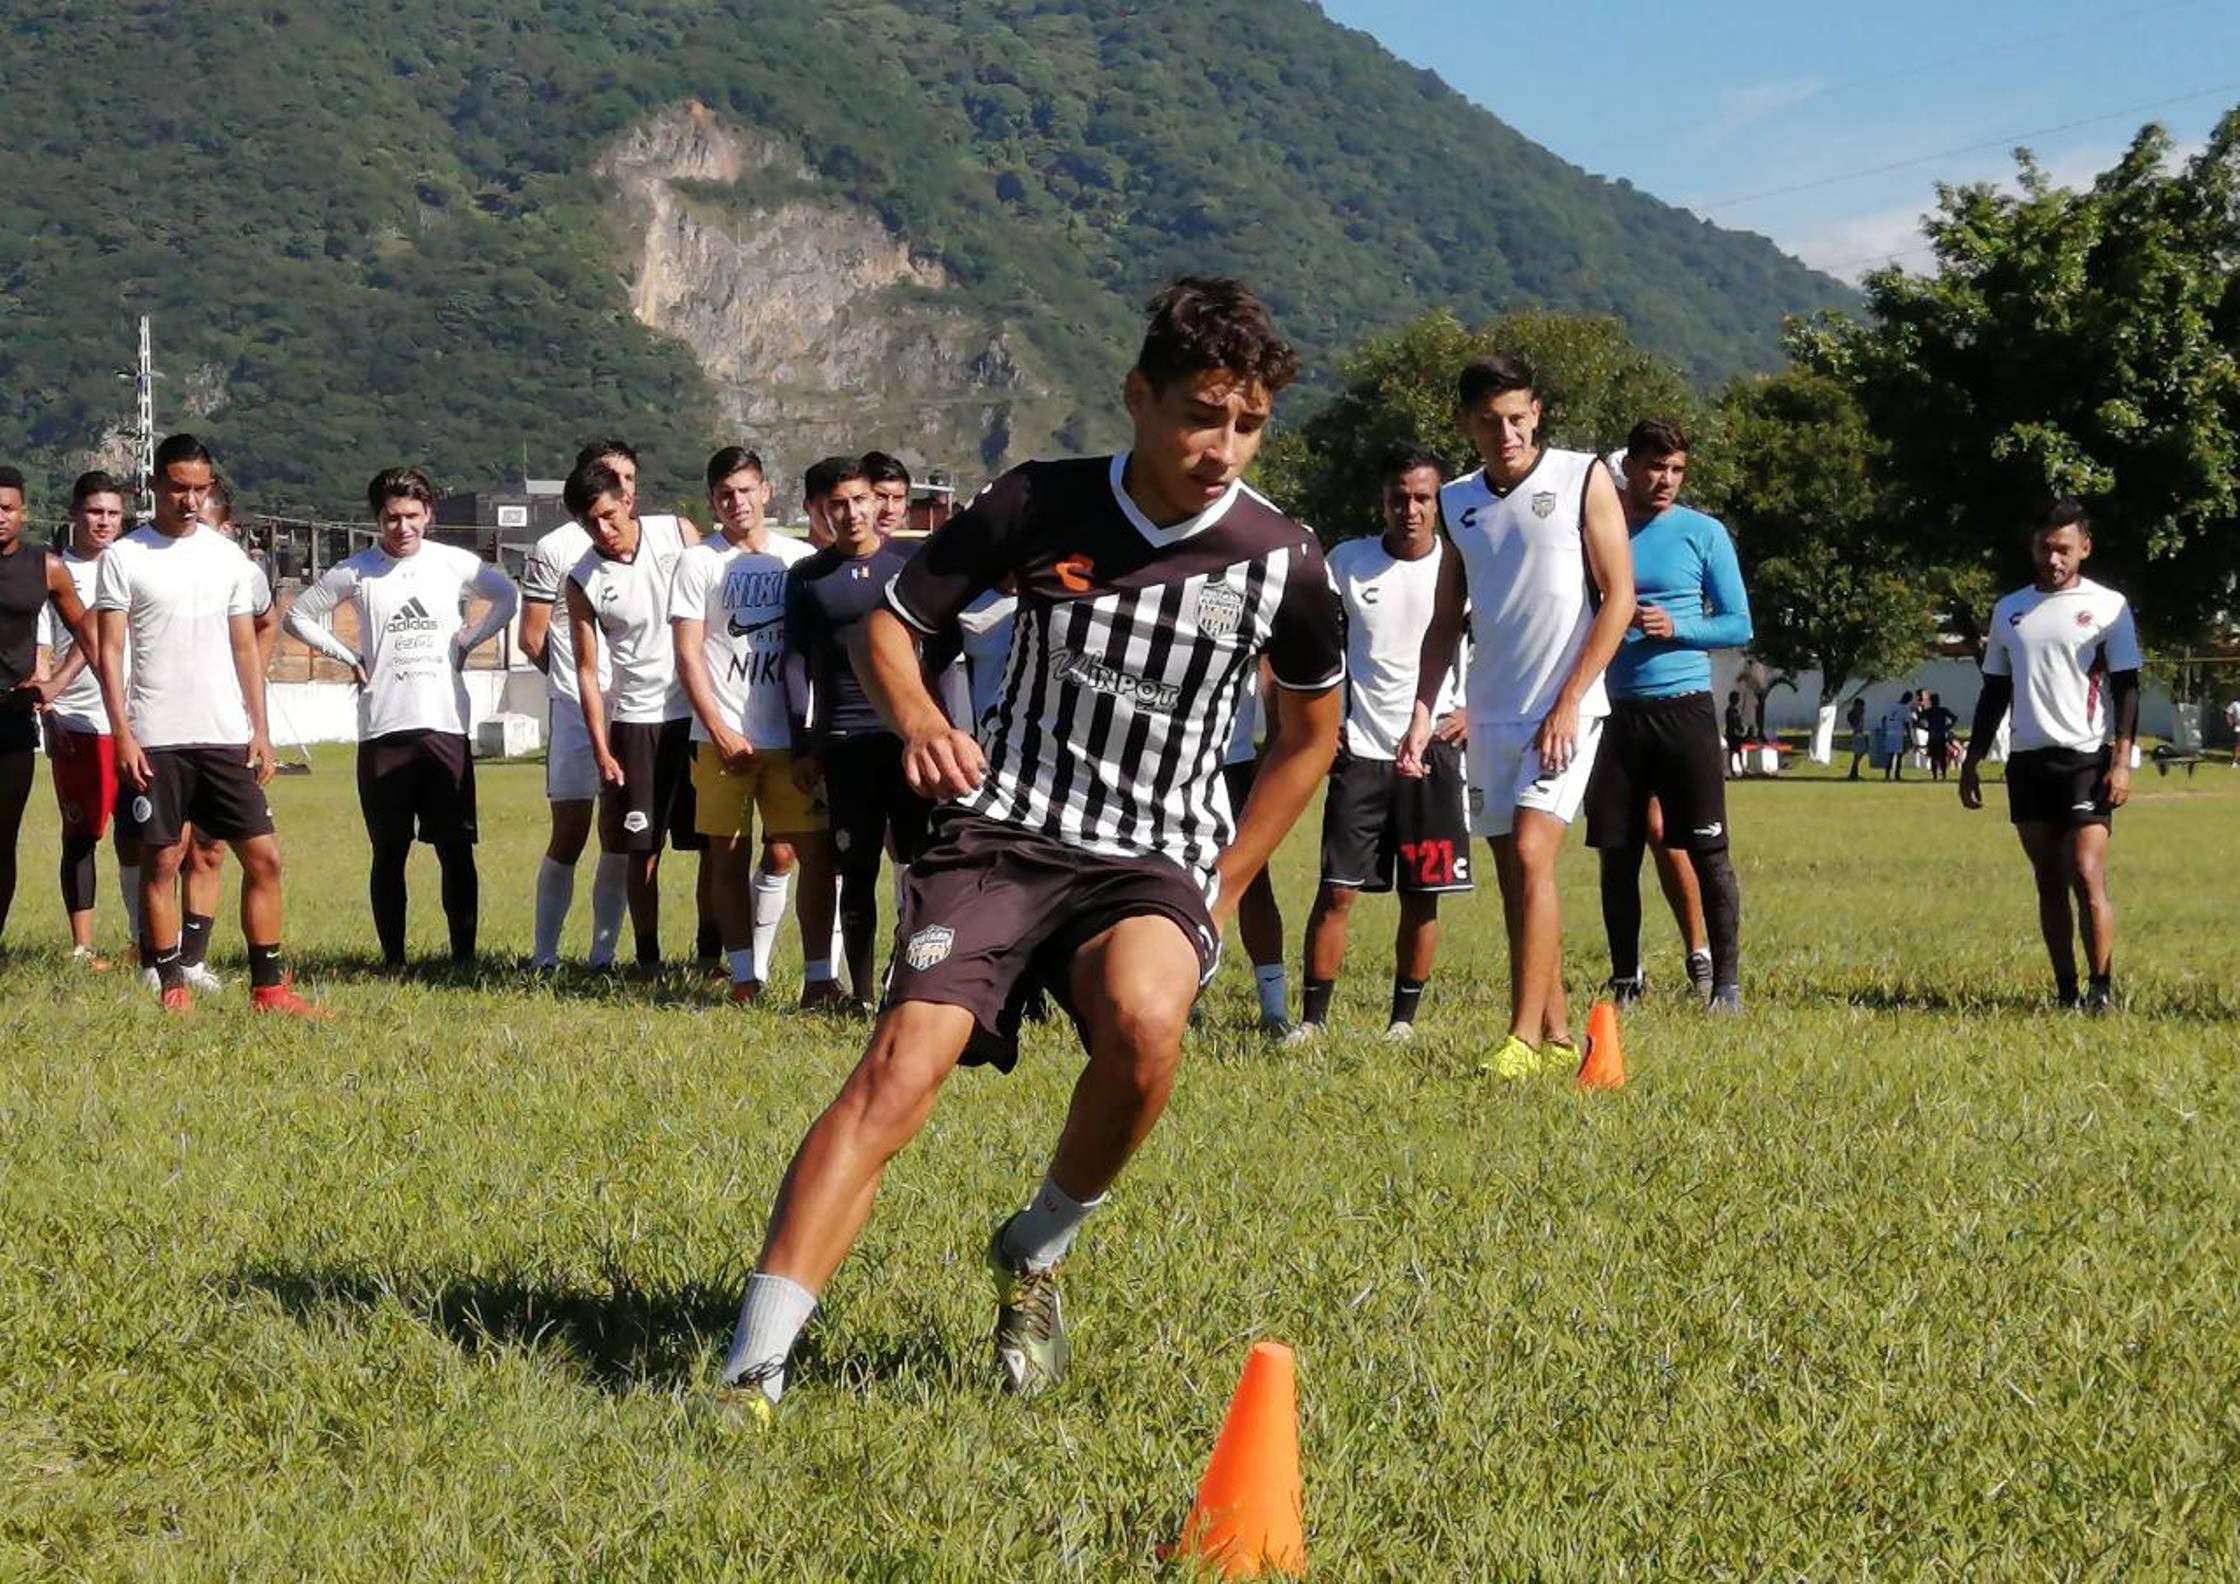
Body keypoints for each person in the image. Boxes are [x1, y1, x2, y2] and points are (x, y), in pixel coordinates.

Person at [717, 276, 1344, 1410]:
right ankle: (746, 1372)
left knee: (1148, 1025)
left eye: (1247, 423)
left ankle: (1037, 1246)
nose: (1222, 446)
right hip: (1003, 828)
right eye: (1201, 414)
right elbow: (890, 628)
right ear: (1137, 398)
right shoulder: (1034, 503)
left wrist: (1226, 875)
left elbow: (1310, 734)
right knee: (899, 1069)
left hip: (1151, 855)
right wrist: (917, 722)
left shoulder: (1284, 560)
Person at [1398, 352, 1634, 1080]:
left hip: (1565, 712)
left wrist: (1568, 702)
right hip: (1491, 716)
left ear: (1537, 413)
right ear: (1468, 426)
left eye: (1518, 418)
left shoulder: (1581, 476)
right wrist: (1422, 711)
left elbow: (1618, 596)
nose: (1508, 433)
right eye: (1490, 422)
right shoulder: (1460, 502)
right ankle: (1561, 1032)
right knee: (1515, 877)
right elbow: (1445, 622)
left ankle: (1522, 1040)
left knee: (1533, 857)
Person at [92, 433, 325, 1015]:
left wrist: (260, 729)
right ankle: (171, 985)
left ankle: (268, 990)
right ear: (155, 487)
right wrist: (122, 731)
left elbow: (247, 648)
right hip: (157, 738)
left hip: (224, 737)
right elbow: (111, 650)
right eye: (178, 488)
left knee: (264, 858)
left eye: (201, 489)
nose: (190, 500)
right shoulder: (126, 557)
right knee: (164, 860)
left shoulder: (229, 559)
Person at [283, 468, 518, 968]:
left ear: (429, 514)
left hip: (444, 726)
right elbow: (297, 615)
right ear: (377, 520)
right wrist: (346, 655)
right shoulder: (357, 570)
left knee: (455, 849)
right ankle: (394, 960)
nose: (403, 527)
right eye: (392, 518)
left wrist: (470, 640)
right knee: (389, 851)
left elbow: (507, 596)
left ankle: (463, 959)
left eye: (413, 516)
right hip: (383, 729)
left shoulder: (453, 563)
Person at [1294, 444, 1471, 1043]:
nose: (1412, 510)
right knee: (1337, 891)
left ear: (1439, 501)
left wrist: (1474, 708)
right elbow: (1316, 648)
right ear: (1383, 501)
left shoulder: (1461, 564)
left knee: (1423, 898)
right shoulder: (1347, 561)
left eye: (1424, 498)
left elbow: (1497, 643)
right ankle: (1313, 1023)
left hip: (1434, 754)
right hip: (1360, 752)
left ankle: (1402, 1022)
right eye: (1401, 498)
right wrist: (1326, 722)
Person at [1581, 419, 1752, 1013]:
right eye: (1656, 466)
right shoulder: (1600, 529)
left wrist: (1679, 627)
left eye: (1678, 470)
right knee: (1618, 851)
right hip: (1615, 713)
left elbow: (1738, 623)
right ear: (1630, 464)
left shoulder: (1704, 534)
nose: (1666, 480)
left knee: (1708, 850)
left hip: (1684, 710)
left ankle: (1724, 982)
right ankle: (1626, 977)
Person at [1960, 501, 2140, 1012]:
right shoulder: (2009, 610)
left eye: (2064, 548)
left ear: (2085, 547)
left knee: (2086, 871)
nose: (2053, 558)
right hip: (2028, 761)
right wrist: (1973, 759)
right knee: (2048, 878)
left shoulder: (2108, 606)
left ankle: (2101, 990)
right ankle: (2066, 992)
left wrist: (2122, 758)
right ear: (2033, 549)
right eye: (2045, 548)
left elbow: (2128, 686)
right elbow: (1994, 689)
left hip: (2086, 758)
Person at [669, 445, 833, 1004]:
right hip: (721, 740)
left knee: (814, 855)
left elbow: (814, 650)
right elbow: (688, 654)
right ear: (713, 501)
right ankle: (743, 977)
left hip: (790, 740)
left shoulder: (797, 559)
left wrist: (810, 733)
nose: (736, 503)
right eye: (724, 495)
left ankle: (819, 978)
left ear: (766, 491)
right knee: (728, 858)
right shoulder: (697, 562)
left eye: (745, 490)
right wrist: (716, 727)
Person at [783, 459, 927, 1005]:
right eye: (837, 504)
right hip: (844, 743)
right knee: (856, 867)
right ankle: (862, 992)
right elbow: (796, 663)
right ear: (823, 510)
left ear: (877, 503)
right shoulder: (808, 577)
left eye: (859, 500)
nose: (850, 513)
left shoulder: (911, 565)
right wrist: (804, 743)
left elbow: (942, 649)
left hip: (907, 739)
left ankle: (912, 984)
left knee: (916, 867)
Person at [562, 458, 701, 972]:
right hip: (636, 722)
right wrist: (602, 747)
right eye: (589, 522)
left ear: (627, 501)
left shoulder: (678, 534)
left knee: (713, 843)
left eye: (608, 515)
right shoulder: (582, 579)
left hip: (698, 713)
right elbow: (586, 668)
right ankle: (647, 959)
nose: (604, 529)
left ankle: (711, 955)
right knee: (641, 849)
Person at [518, 458, 627, 972]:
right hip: (573, 712)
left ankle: (603, 956)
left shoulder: (655, 540)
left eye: (630, 479)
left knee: (621, 830)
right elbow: (532, 636)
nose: (624, 488)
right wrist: (569, 682)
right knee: (569, 830)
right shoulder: (555, 549)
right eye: (614, 479)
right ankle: (545, 955)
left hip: (634, 710)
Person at [0, 465, 102, 949]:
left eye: (7, 508)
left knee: (2, 839)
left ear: (24, 512)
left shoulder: (46, 567)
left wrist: (59, 683)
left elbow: (90, 633)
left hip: (11, 720)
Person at [38, 472, 137, 968]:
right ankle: (82, 946)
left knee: (139, 833)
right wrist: (49, 709)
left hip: (138, 719)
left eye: (113, 513)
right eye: (96, 511)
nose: (104, 521)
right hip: (78, 718)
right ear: (75, 513)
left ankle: (145, 939)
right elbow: (39, 647)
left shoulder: (137, 563)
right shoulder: (54, 570)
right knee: (80, 835)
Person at [1220, 667, 1291, 1032]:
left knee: (1252, 882)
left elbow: (1269, 669)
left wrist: (1274, 745)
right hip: (1170, 754)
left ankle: (1274, 1008)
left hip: (1233, 760)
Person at [1921, 691, 1958, 782]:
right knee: (1942, 756)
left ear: (1931, 701)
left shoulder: (1928, 711)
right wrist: (1948, 727)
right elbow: (1954, 718)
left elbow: (1918, 721)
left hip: (1932, 735)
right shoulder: (1943, 710)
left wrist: (1926, 728)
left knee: (1934, 757)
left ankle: (1935, 776)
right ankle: (1944, 774)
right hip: (1941, 735)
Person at [1723, 690, 1747, 778]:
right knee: (1732, 752)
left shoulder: (1734, 710)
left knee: (1738, 752)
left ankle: (1740, 769)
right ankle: (1732, 770)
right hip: (1732, 734)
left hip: (1734, 734)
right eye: (1736, 698)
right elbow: (1733, 722)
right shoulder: (1730, 710)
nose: (1738, 700)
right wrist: (1739, 725)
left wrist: (1740, 725)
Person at [1845, 695, 1870, 780]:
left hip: (1859, 733)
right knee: (1858, 754)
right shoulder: (1854, 714)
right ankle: (1853, 773)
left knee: (1859, 754)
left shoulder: (1856, 713)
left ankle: (1854, 772)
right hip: (1857, 734)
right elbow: (1856, 724)